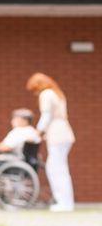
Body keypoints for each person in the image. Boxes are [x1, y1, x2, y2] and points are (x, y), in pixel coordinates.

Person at [27, 72, 76, 211]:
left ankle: (63, 202)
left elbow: (46, 115)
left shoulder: (46, 94)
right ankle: (65, 201)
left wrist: (37, 132)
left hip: (57, 133)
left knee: (56, 168)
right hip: (63, 132)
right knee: (59, 168)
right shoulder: (56, 93)